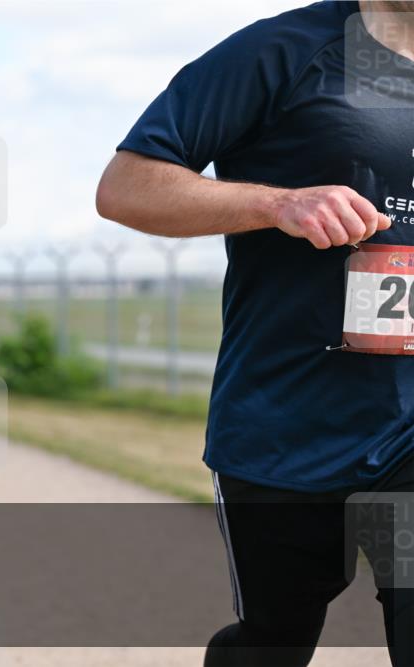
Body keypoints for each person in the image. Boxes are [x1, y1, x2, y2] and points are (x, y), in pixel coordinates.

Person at [97, 2, 413, 665]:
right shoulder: (285, 51)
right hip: (289, 420)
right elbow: (126, 187)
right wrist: (277, 203)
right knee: (272, 642)